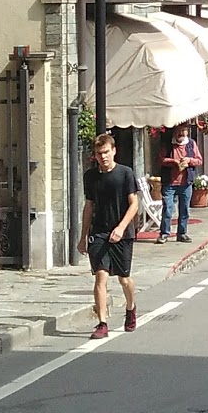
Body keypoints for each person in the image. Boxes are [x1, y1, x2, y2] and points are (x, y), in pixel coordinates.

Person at [80, 132, 140, 339]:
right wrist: (83, 236)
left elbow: (134, 204)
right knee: (101, 276)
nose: (103, 157)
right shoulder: (90, 176)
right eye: (99, 153)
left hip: (122, 233)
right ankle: (102, 323)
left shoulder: (125, 173)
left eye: (106, 152)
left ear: (114, 151)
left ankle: (130, 307)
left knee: (124, 279)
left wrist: (122, 228)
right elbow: (89, 206)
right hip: (99, 232)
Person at [162, 122, 202, 243]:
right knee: (168, 208)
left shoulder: (191, 143)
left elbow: (199, 160)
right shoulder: (168, 144)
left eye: (183, 131)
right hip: (170, 182)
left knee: (184, 209)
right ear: (175, 132)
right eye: (179, 131)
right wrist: (173, 161)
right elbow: (160, 159)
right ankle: (164, 234)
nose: (181, 133)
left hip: (186, 183)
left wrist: (189, 160)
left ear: (187, 132)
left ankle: (182, 233)